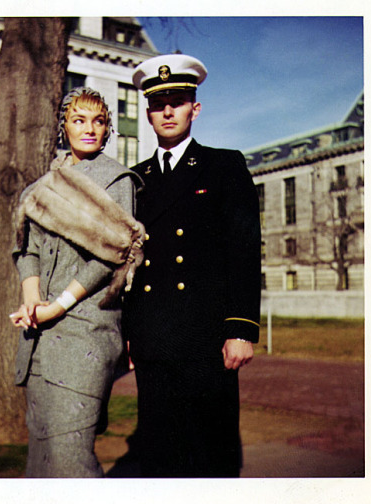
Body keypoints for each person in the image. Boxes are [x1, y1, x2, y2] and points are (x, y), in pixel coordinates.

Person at [122, 54, 261, 478]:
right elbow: (129, 262)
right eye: (159, 103)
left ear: (194, 109)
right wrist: (129, 332)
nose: (168, 111)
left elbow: (244, 248)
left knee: (211, 450)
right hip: (152, 337)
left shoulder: (224, 166)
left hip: (206, 337)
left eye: (178, 101)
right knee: (159, 451)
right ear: (147, 113)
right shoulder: (135, 178)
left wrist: (240, 328)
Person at [9, 87, 144, 478]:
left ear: (107, 129)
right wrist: (33, 300)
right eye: (79, 120)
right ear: (63, 126)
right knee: (41, 460)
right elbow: (26, 248)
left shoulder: (116, 179)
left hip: (86, 334)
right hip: (39, 341)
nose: (89, 129)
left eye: (98, 121)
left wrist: (58, 305)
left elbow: (112, 254)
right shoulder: (43, 184)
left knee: (72, 460)